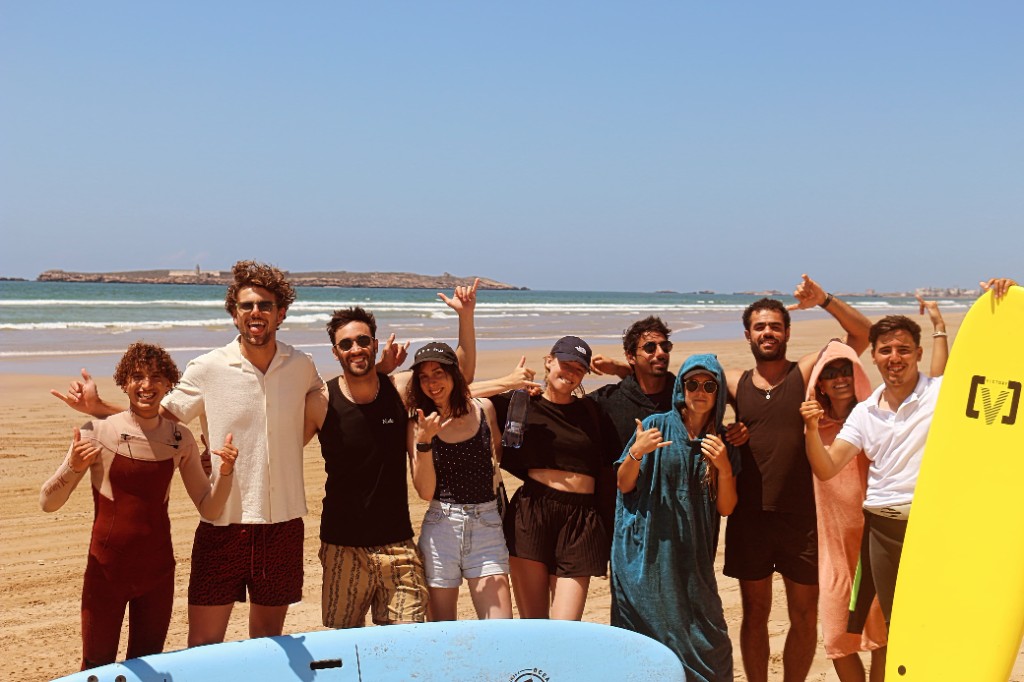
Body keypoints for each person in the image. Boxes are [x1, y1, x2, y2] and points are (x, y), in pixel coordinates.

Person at [51, 261, 324, 645]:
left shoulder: (302, 366)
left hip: (282, 526)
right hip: (222, 524)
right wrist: (100, 409)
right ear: (234, 314)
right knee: (203, 647)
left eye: (265, 305)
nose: (256, 312)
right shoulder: (208, 368)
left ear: (281, 313)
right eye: (246, 306)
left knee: (268, 642)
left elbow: (327, 402)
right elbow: (157, 420)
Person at [801, 281, 1019, 629]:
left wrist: (1005, 302)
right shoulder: (864, 413)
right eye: (885, 350)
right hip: (882, 529)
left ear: (918, 354)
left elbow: (999, 379)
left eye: (903, 350)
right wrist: (811, 430)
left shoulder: (942, 394)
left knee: (944, 619)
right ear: (874, 356)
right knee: (899, 625)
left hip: (933, 524)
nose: (894, 358)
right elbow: (826, 468)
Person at [41, 343, 237, 669]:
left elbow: (210, 509)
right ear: (124, 383)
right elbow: (48, 502)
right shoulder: (97, 432)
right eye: (138, 377)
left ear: (169, 384)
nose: (147, 385)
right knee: (96, 667)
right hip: (106, 573)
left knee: (146, 668)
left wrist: (226, 473)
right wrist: (73, 467)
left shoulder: (180, 439)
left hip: (157, 575)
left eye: (157, 377)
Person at [303, 281, 480, 628]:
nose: (356, 349)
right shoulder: (320, 402)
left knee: (407, 642)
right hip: (342, 546)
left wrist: (466, 316)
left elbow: (460, 376)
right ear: (336, 353)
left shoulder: (398, 389)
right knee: (345, 644)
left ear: (374, 344)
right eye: (346, 344)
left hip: (398, 544)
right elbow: (283, 447)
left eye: (363, 340)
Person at [723, 274, 872, 682]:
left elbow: (863, 334)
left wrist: (824, 299)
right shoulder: (734, 381)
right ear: (748, 334)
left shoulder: (805, 373)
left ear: (787, 332)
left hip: (803, 518)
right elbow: (685, 387)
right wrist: (725, 431)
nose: (767, 332)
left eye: (775, 326)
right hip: (750, 517)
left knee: (804, 615)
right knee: (755, 612)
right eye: (759, 327)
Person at [612, 353, 739, 682]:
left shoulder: (722, 442)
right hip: (648, 556)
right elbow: (624, 484)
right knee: (645, 646)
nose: (700, 391)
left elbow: (726, 508)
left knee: (712, 646)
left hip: (694, 563)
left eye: (709, 385)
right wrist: (637, 452)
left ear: (718, 392)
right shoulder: (655, 425)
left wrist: (724, 468)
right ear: (682, 388)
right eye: (692, 384)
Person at [491, 336, 619, 620]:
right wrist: (508, 383)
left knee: (567, 627)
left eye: (579, 368)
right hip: (532, 512)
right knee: (534, 624)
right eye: (565, 363)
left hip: (581, 519)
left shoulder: (593, 411)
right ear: (549, 361)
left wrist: (619, 367)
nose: (571, 372)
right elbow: (460, 395)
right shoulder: (521, 402)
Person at [800, 339, 887, 682]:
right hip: (833, 550)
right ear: (819, 384)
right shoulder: (812, 427)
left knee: (882, 637)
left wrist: (939, 331)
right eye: (830, 373)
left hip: (874, 545)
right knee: (838, 640)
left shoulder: (875, 419)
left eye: (845, 370)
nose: (839, 378)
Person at [406, 341, 512, 621]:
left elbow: (497, 455)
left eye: (438, 373)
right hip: (442, 526)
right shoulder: (418, 424)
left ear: (453, 374)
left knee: (500, 629)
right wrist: (424, 442)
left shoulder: (484, 409)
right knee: (442, 631)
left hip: (487, 526)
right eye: (424, 377)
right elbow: (425, 491)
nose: (432, 383)